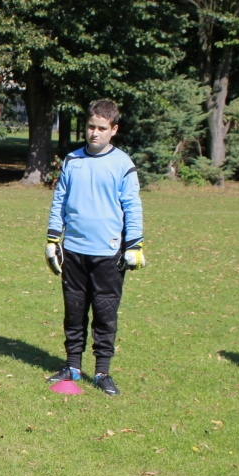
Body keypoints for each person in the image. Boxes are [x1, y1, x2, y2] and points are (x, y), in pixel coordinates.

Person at [44, 98, 144, 396]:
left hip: (108, 254)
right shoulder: (73, 161)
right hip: (73, 250)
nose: (94, 133)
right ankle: (73, 366)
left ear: (114, 129)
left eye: (102, 128)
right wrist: (52, 240)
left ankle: (102, 372)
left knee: (104, 313)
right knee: (74, 311)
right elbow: (59, 201)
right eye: (90, 127)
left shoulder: (123, 164)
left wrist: (134, 245)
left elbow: (133, 207)